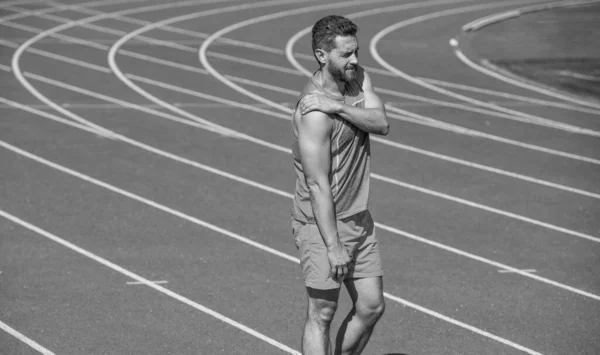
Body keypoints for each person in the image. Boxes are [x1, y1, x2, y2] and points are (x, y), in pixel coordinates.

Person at [291, 15, 390, 355]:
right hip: (321, 224)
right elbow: (317, 184)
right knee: (322, 313)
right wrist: (333, 245)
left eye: (356, 52)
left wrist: (337, 105)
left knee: (371, 306)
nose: (355, 60)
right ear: (322, 55)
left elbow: (381, 122)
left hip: (359, 217)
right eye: (346, 55)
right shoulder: (312, 112)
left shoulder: (358, 80)